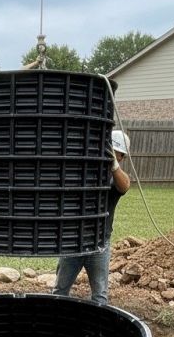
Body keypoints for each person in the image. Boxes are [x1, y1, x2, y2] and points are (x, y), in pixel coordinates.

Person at [52, 129, 131, 305]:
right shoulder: (83, 174)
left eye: (117, 156)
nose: (113, 158)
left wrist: (113, 166)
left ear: (121, 158)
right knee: (60, 290)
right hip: (73, 242)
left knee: (100, 295)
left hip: (100, 243)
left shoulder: (115, 179)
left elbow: (125, 186)